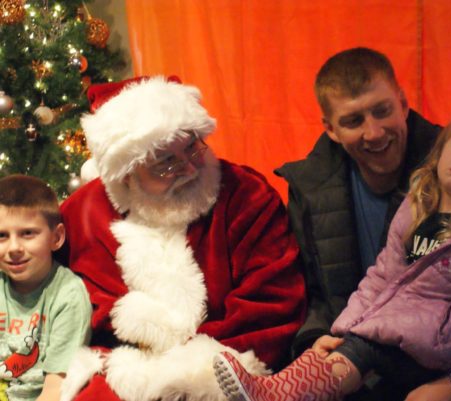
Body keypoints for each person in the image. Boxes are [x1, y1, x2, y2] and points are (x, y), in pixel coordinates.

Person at [213, 104, 451, 401]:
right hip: (391, 333)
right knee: (344, 351)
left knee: (359, 353)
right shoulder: (419, 203)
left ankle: (277, 394)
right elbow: (382, 276)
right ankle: (275, 391)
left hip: (441, 348)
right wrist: (342, 328)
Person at [56, 76, 306, 401]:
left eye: (192, 147)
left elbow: (272, 305)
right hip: (117, 369)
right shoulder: (82, 214)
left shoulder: (246, 194)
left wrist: (184, 372)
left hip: (224, 366)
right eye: (166, 163)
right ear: (127, 174)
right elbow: (62, 302)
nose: (189, 168)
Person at [0, 175, 91, 401]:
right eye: (2, 236)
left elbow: (55, 389)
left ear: (56, 237)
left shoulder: (68, 295)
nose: (14, 248)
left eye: (28, 233)